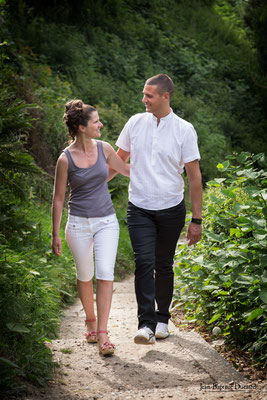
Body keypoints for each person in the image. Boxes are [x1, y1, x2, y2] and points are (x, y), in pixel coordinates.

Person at [110, 74, 202, 344]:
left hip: (172, 208)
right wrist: (87, 184)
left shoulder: (185, 129)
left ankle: (163, 319)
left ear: (165, 96)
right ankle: (146, 324)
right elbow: (117, 162)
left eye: (149, 95)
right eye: (143, 94)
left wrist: (196, 219)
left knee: (163, 265)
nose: (144, 100)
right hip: (139, 207)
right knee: (144, 263)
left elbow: (194, 177)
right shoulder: (135, 123)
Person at [51, 99, 130, 356]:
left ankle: (104, 334)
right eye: (96, 121)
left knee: (106, 272)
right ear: (82, 127)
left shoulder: (104, 148)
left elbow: (127, 169)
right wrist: (55, 234)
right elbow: (59, 199)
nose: (101, 124)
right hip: (78, 224)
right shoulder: (65, 160)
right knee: (85, 275)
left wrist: (164, 166)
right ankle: (90, 322)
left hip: (107, 221)